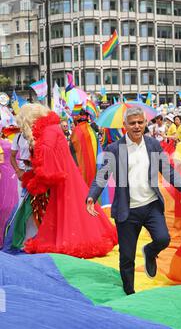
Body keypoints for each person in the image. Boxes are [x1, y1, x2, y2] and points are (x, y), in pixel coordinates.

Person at [87, 107, 181, 295]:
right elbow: (101, 176)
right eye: (132, 123)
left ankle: (150, 252)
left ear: (145, 123)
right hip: (127, 210)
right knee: (127, 257)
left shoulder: (153, 145)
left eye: (140, 122)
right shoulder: (114, 149)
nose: (137, 126)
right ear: (125, 125)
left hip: (151, 206)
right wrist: (91, 197)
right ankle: (129, 293)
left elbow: (166, 169)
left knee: (163, 239)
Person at [16, 103, 117, 258]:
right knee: (74, 208)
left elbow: (48, 162)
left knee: (68, 209)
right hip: (67, 174)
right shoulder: (52, 128)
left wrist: (35, 180)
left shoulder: (48, 131)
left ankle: (74, 241)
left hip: (61, 178)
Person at [0, 135, 18, 247]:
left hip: (11, 174)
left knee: (9, 205)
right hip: (8, 173)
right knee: (6, 206)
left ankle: (7, 238)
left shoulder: (9, 140)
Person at [10, 129, 31, 199]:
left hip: (37, 172)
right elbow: (12, 157)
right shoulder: (18, 136)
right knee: (22, 200)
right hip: (23, 173)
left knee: (37, 203)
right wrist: (18, 171)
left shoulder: (38, 135)